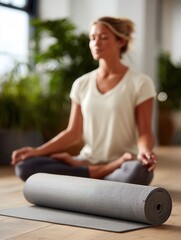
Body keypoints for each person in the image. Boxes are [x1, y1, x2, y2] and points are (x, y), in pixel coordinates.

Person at [11, 16, 157, 185]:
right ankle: (100, 174)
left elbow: (145, 131)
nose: (96, 43)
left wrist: (145, 151)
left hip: (125, 163)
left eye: (103, 37)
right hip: (87, 160)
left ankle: (89, 176)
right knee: (25, 166)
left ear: (121, 41)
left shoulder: (140, 82)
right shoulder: (81, 84)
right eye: (92, 38)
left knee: (140, 172)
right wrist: (37, 151)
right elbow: (73, 132)